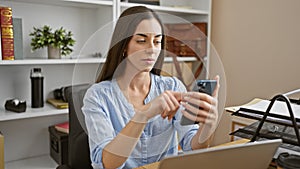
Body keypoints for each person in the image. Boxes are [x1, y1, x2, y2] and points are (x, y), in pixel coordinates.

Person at [82, 6, 220, 169]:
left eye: (157, 41)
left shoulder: (174, 86)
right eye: (141, 41)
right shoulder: (97, 96)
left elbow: (192, 146)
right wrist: (144, 115)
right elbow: (106, 164)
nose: (152, 50)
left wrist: (208, 126)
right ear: (124, 45)